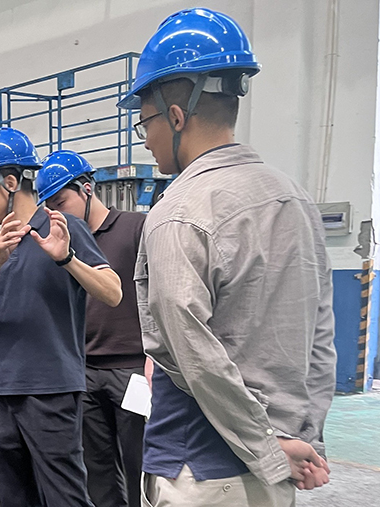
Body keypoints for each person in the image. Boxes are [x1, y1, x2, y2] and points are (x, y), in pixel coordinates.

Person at [116, 8, 337, 506]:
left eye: (145, 121)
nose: (145, 138)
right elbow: (320, 335)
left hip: (203, 472)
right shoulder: (294, 199)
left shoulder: (179, 211)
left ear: (176, 116)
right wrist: (303, 442)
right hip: (279, 465)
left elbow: (193, 354)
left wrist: (267, 449)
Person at [0, 127, 123, 507]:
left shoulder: (65, 228)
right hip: (2, 393)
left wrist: (67, 259)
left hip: (52, 390)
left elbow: (113, 292)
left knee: (65, 497)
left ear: (10, 182)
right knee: (15, 498)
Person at [35, 150, 146, 507]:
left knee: (140, 465)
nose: (56, 213)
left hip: (132, 368)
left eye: (60, 202)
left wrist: (155, 360)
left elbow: (159, 295)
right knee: (96, 471)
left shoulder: (135, 228)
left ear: (86, 189)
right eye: (49, 206)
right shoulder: (59, 242)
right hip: (84, 371)